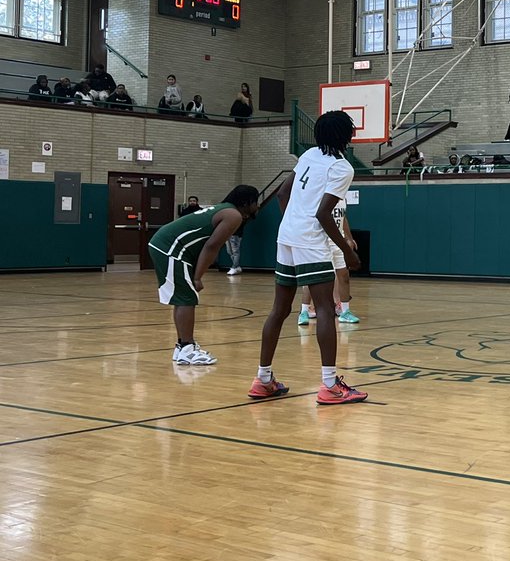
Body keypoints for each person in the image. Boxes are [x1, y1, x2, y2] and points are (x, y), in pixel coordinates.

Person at [252, 109, 366, 404]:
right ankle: (330, 386)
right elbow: (323, 214)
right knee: (326, 309)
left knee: (279, 309)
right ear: (346, 136)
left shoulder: (308, 155)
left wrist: (293, 225)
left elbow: (281, 196)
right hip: (310, 241)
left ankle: (263, 379)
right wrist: (346, 252)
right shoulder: (342, 168)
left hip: (286, 236)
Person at [149, 185, 260, 366]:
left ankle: (182, 347)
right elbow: (212, 246)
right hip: (171, 247)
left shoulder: (224, 209)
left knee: (183, 298)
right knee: (187, 298)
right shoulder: (233, 215)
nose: (258, 206)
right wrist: (198, 277)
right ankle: (187, 349)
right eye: (256, 201)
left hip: (165, 244)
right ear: (247, 202)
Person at [297, 197, 360, 325]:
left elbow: (343, 219)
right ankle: (304, 311)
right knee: (313, 278)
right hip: (320, 242)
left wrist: (349, 238)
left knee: (344, 276)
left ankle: (345, 311)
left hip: (337, 242)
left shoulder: (342, 197)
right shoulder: (319, 196)